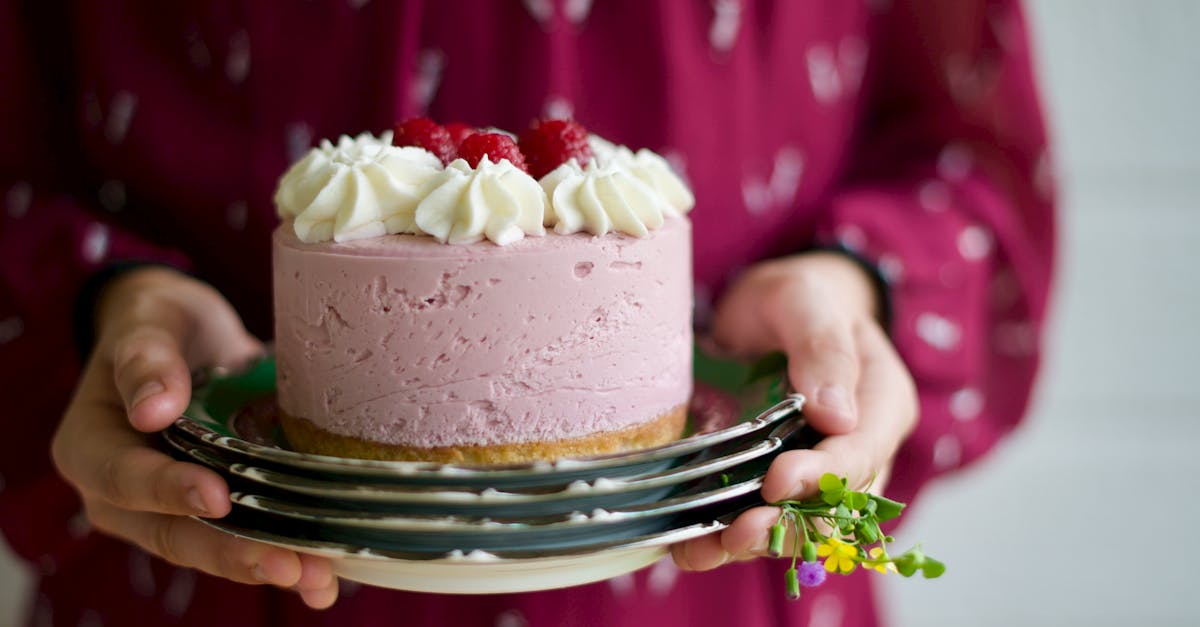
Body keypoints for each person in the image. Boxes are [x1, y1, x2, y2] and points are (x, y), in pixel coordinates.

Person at [0, 0, 1054, 625]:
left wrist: (852, 284)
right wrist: (108, 302)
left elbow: (967, 153)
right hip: (205, 552)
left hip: (723, 577)